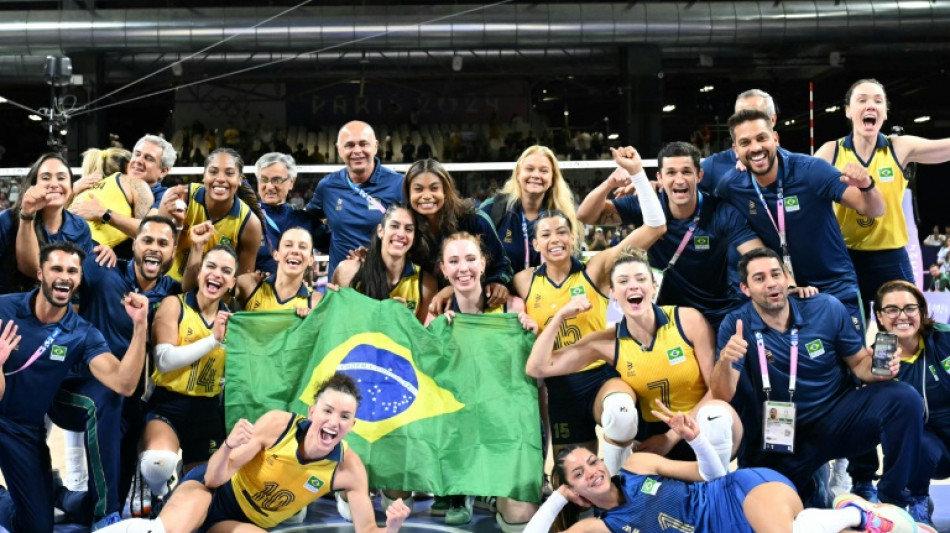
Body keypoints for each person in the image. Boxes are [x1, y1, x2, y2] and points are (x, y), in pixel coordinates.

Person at [711, 247, 923, 508]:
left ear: (787, 277)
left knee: (903, 398)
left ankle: (894, 500)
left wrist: (880, 368)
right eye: (760, 278)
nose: (771, 283)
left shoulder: (825, 308)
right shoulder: (736, 325)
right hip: (779, 436)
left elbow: (858, 363)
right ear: (746, 289)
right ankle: (815, 483)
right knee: (767, 509)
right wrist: (725, 360)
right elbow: (722, 395)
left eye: (776, 274)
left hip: (836, 419)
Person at [513, 146, 666, 483]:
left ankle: (618, 496)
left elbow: (655, 227)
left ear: (573, 237)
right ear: (535, 244)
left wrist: (638, 174)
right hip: (559, 386)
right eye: (546, 234)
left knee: (622, 415)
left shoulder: (595, 269)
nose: (555, 239)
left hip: (601, 375)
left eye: (562, 232)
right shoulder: (523, 281)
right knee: (568, 478)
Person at [94, 373, 412, 533]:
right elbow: (216, 475)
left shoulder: (348, 469)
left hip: (245, 521)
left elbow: (367, 530)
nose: (333, 422)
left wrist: (393, 528)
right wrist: (229, 446)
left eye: (344, 417)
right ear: (312, 412)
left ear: (352, 425)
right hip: (212, 490)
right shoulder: (278, 426)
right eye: (328, 411)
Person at [523, 404, 917, 533]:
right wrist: (559, 497)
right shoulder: (597, 526)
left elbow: (713, 476)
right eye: (578, 475)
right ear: (573, 491)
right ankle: (853, 518)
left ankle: (849, 513)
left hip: (740, 494)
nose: (592, 470)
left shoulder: (637, 464)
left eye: (591, 460)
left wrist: (695, 439)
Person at [526, 250, 741, 479]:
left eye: (641, 279)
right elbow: (537, 367)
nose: (633, 286)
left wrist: (671, 437)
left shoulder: (687, 320)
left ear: (654, 287)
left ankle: (720, 490)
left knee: (715, 415)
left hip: (701, 429)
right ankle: (618, 491)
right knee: (620, 412)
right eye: (623, 281)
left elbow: (717, 392)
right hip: (652, 442)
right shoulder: (608, 342)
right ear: (612, 295)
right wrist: (560, 316)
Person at [0, 241, 150, 533]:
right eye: (56, 268)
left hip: (22, 431)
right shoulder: (4, 307)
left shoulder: (82, 334)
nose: (65, 276)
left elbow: (125, 384)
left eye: (72, 271)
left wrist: (141, 326)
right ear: (40, 273)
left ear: (80, 279)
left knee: (37, 527)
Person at [49, 216, 181, 530]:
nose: (154, 247)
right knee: (107, 397)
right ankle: (103, 517)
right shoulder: (102, 267)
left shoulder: (172, 294)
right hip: (74, 385)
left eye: (163, 242)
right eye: (147, 239)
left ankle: (59, 493)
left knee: (112, 493)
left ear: (173, 252)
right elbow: (59, 259)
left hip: (127, 395)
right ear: (132, 244)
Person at [716, 108, 885, 332]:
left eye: (762, 138)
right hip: (782, 293)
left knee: (854, 362)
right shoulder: (732, 186)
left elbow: (874, 209)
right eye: (745, 143)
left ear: (775, 139)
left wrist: (867, 185)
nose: (756, 148)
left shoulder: (811, 171)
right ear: (736, 150)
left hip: (833, 286)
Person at [577, 141, 771, 331]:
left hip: (716, 313)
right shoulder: (648, 205)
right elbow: (586, 215)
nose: (679, 180)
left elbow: (758, 255)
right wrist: (609, 183)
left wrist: (788, 286)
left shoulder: (721, 212)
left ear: (699, 175)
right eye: (671, 173)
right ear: (660, 178)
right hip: (666, 316)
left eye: (686, 171)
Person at [421, 231, 537, 527]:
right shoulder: (437, 318)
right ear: (444, 270)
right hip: (459, 426)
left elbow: (529, 378)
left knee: (521, 517)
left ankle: (491, 490)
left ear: (484, 263)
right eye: (454, 261)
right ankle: (459, 488)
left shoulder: (512, 309)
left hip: (501, 426)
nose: (464, 268)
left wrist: (529, 331)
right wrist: (436, 341)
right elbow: (426, 381)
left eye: (471, 259)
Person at [816, 78, 950, 315]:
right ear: (848, 110)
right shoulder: (831, 151)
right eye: (862, 100)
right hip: (846, 257)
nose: (871, 105)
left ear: (885, 113)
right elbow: (794, 177)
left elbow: (945, 148)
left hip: (891, 257)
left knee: (908, 323)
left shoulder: (899, 147)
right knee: (846, 333)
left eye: (878, 101)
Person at [137, 245, 238, 509]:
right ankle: (157, 491)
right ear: (200, 270)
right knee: (158, 464)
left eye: (226, 271)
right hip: (167, 403)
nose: (217, 274)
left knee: (209, 483)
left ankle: (182, 484)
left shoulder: (236, 320)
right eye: (211, 266)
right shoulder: (175, 304)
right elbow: (164, 360)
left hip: (207, 411)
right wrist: (213, 340)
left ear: (233, 281)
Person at [873, 280, 950, 526]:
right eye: (892, 310)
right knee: (916, 442)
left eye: (909, 308)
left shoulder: (944, 338)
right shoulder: (881, 355)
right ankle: (917, 502)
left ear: (921, 312)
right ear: (880, 316)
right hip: (927, 444)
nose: (902, 316)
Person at [403, 159, 512, 310]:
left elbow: (502, 265)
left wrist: (497, 282)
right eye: (418, 189)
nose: (426, 195)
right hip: (427, 307)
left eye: (434, 188)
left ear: (446, 191)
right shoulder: (406, 228)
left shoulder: (475, 220)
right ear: (408, 194)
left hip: (474, 304)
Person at [0, 153, 115, 294]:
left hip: (60, 308)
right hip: (11, 306)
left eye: (61, 178)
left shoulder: (79, 226)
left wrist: (103, 252)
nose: (54, 184)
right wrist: (27, 215)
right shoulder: (6, 220)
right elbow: (32, 270)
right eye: (46, 178)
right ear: (33, 184)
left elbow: (77, 280)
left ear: (72, 187)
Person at [305, 121, 404, 279]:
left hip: (386, 284)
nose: (357, 151)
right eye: (349, 145)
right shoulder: (328, 186)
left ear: (375, 146)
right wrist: (328, 243)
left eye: (363, 144)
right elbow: (306, 220)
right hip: (341, 288)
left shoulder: (399, 184)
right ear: (339, 150)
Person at [152, 148, 263, 281]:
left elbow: (243, 283)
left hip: (213, 296)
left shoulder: (250, 224)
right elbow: (158, 258)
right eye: (213, 171)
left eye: (229, 173)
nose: (221, 178)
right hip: (168, 288)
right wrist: (177, 224)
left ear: (240, 179)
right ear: (204, 176)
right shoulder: (177, 198)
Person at [480, 145, 584, 273]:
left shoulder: (565, 215)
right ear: (518, 174)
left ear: (552, 178)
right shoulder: (493, 209)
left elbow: (575, 262)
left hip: (550, 291)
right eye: (529, 169)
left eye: (544, 171)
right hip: (501, 290)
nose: (536, 175)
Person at [334, 203, 436, 323]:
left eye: (408, 229)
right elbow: (337, 326)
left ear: (414, 238)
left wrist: (405, 322)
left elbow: (422, 337)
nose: (401, 234)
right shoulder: (348, 271)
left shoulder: (426, 284)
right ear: (380, 231)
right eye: (394, 226)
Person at [70, 146, 155, 258]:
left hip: (56, 250)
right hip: (85, 254)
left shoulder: (81, 191)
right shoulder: (133, 183)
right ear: (127, 166)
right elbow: (150, 233)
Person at [253, 152, 327, 274]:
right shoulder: (245, 218)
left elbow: (339, 246)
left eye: (276, 180)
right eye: (264, 179)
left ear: (291, 182)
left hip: (297, 292)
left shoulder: (305, 220)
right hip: (256, 291)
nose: (269, 186)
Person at [234, 226, 321, 313]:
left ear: (311, 260)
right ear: (276, 254)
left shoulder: (316, 302)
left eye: (302, 247)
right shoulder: (249, 285)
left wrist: (311, 322)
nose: (295, 251)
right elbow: (223, 295)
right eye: (288, 245)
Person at [129, 134, 178, 207]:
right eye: (137, 154)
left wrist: (107, 214)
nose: (138, 160)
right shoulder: (115, 183)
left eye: (148, 158)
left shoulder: (167, 199)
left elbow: (150, 219)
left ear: (163, 171)